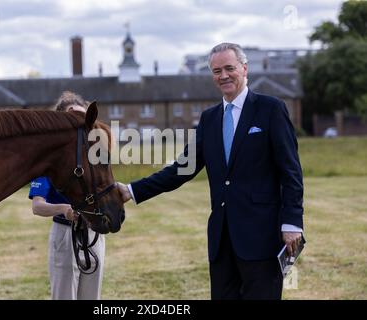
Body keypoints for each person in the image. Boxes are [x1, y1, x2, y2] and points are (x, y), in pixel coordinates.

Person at [117, 43, 304, 300]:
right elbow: (183, 168)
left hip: (261, 236)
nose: (223, 75)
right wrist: (131, 190)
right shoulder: (209, 118)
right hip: (221, 240)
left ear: (244, 68)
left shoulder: (270, 109)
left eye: (229, 68)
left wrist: (292, 222)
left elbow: (290, 171)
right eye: (217, 71)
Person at [29, 91, 105, 300]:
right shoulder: (47, 162)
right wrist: (64, 209)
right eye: (73, 117)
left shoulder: (94, 158)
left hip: (94, 233)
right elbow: (37, 206)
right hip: (65, 234)